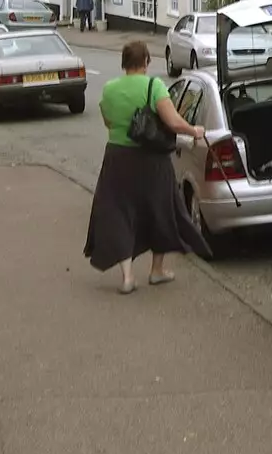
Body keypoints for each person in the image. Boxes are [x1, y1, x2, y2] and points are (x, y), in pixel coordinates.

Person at [84, 41, 210, 294]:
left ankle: (127, 276)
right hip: (152, 159)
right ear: (146, 62)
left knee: (119, 212)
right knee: (160, 209)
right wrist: (193, 130)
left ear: (123, 62)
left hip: (118, 158)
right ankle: (157, 271)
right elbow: (173, 122)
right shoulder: (154, 86)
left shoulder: (109, 89)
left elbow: (108, 120)